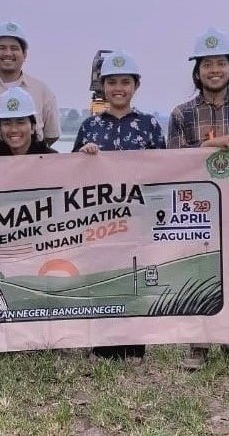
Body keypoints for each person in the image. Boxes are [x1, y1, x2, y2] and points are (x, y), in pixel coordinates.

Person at [168, 27, 229, 370]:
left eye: (220, 63)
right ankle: (199, 344)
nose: (214, 70)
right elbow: (172, 163)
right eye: (206, 64)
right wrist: (209, 146)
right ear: (197, 71)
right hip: (195, 211)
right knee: (199, 275)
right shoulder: (181, 114)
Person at [74, 50, 165, 365]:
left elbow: (165, 170)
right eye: (112, 82)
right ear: (102, 86)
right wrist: (84, 155)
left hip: (138, 220)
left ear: (136, 85)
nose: (118, 88)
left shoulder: (149, 125)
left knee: (134, 278)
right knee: (102, 278)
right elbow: (71, 174)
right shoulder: (90, 126)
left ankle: (134, 346)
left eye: (125, 82)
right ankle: (101, 345)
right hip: (99, 220)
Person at [0, 21, 60, 157]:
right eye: (2, 48)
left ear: (24, 55)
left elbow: (51, 135)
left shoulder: (42, 90)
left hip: (33, 167)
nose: (8, 53)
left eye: (14, 48)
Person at [0, 87, 58, 157]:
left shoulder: (49, 158)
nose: (13, 129)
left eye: (20, 122)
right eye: (7, 123)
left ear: (32, 127)